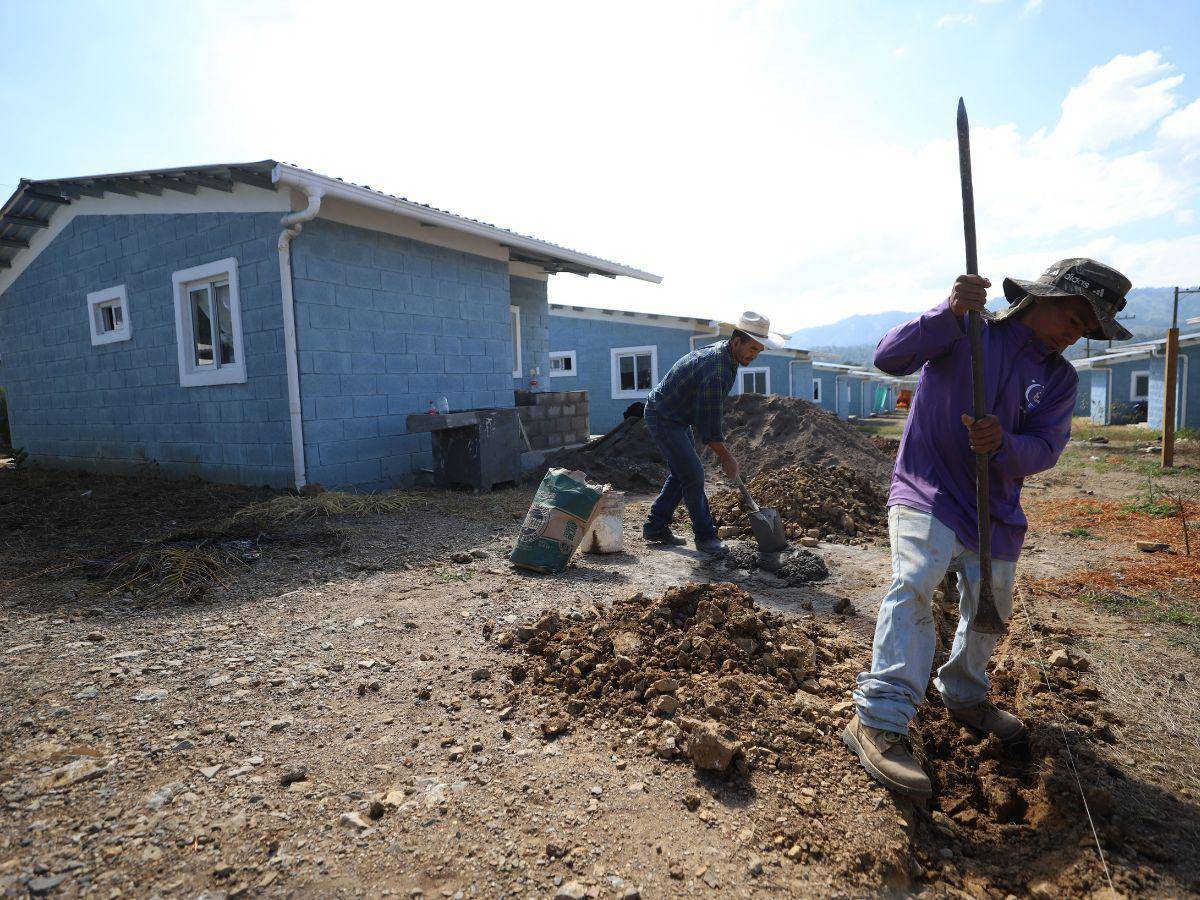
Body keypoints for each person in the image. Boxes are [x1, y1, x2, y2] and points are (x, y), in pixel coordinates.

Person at [843, 258, 1133, 799]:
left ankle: (963, 694)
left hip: (993, 509)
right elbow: (889, 357)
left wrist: (1003, 445)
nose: (1077, 333)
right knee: (916, 581)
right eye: (1073, 317)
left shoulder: (1059, 379)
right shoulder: (967, 331)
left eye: (1087, 328)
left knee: (989, 606)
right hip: (927, 488)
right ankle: (879, 721)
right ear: (1038, 298)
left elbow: (1046, 449)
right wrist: (948, 310)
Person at [642, 312, 780, 556]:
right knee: (693, 473)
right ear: (737, 342)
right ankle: (706, 537)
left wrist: (722, 450)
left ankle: (656, 526)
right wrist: (727, 457)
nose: (754, 355)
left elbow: (707, 413)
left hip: (676, 415)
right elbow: (709, 424)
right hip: (663, 415)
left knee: (683, 472)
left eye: (759, 350)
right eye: (752, 348)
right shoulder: (717, 368)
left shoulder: (728, 356)